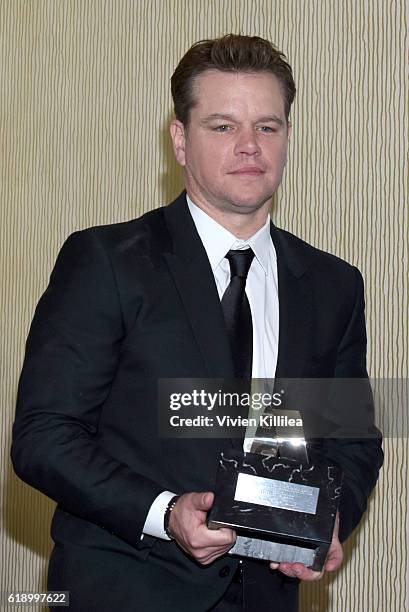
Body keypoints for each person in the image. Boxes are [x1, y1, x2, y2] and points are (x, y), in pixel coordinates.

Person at [11, 35, 383, 611]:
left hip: (268, 596)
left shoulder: (333, 285)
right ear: (180, 141)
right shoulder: (107, 263)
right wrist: (164, 513)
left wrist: (330, 518)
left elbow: (350, 440)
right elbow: (44, 436)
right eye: (221, 126)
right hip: (124, 590)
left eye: (268, 126)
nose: (248, 146)